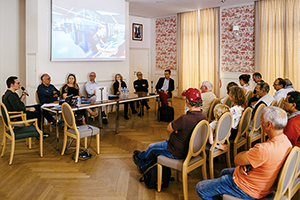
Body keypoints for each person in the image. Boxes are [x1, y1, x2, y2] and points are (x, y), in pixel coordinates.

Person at [196, 106, 292, 200]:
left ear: (268, 125)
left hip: (248, 189)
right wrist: (248, 163)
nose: (260, 121)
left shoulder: (264, 149)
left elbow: (237, 159)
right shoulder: (286, 142)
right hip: (261, 182)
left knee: (200, 188)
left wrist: (247, 156)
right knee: (224, 172)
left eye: (261, 120)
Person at [132, 88, 207, 173]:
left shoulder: (184, 119)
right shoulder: (203, 116)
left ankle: (140, 156)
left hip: (175, 150)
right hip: (191, 150)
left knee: (151, 148)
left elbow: (169, 128)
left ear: (188, 102)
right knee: (154, 150)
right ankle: (143, 166)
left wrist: (177, 129)